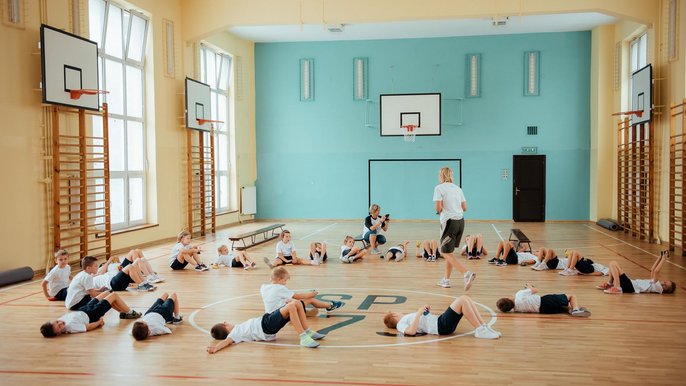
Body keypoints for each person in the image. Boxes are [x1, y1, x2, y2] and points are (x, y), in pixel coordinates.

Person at [206, 300, 325, 352]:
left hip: (267, 322)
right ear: (224, 325)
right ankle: (303, 337)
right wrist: (216, 348)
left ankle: (307, 331)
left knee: (296, 304)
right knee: (291, 306)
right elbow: (226, 342)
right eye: (226, 323)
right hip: (265, 325)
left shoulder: (238, 329)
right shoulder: (234, 334)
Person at [433, 167, 475, 290]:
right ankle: (446, 280)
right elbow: (465, 207)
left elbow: (438, 208)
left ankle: (466, 273)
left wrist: (441, 210)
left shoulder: (439, 188)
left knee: (444, 252)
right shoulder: (458, 188)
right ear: (451, 175)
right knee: (449, 252)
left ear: (441, 176)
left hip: (449, 222)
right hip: (460, 221)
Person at [382, 295, 500, 339]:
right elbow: (411, 332)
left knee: (466, 298)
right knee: (462, 300)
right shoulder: (400, 324)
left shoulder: (406, 318)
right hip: (440, 326)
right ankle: (480, 330)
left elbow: (420, 324)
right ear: (394, 315)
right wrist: (418, 312)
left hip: (440, 322)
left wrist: (425, 312)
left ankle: (483, 327)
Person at [40, 291, 141, 337]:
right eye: (59, 326)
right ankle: (130, 313)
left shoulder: (62, 322)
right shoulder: (70, 327)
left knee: (107, 293)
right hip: (92, 314)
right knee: (113, 295)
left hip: (83, 309)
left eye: (57, 322)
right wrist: (99, 321)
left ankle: (123, 313)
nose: (60, 323)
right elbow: (87, 327)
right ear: (58, 333)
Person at [260, 267, 343, 317]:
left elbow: (272, 298)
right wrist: (311, 295)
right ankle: (330, 306)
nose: (285, 283)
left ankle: (303, 312)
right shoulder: (280, 288)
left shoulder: (263, 287)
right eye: (285, 280)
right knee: (310, 300)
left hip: (269, 314)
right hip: (280, 314)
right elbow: (297, 296)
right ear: (279, 279)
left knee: (290, 301)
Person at [598, 251, 676, 294]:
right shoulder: (654, 283)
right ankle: (610, 284)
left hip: (630, 287)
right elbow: (652, 269)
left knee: (613, 263)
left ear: (665, 290)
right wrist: (660, 257)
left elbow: (656, 271)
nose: (664, 284)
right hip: (630, 284)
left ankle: (617, 288)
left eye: (666, 286)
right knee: (612, 265)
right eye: (665, 282)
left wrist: (664, 259)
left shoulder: (659, 288)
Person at [496, 283, 591, 317]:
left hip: (544, 311)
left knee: (564, 307)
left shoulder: (516, 309)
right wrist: (529, 286)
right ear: (508, 298)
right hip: (545, 301)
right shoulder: (519, 295)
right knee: (571, 296)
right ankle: (575, 310)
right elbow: (535, 290)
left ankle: (570, 310)